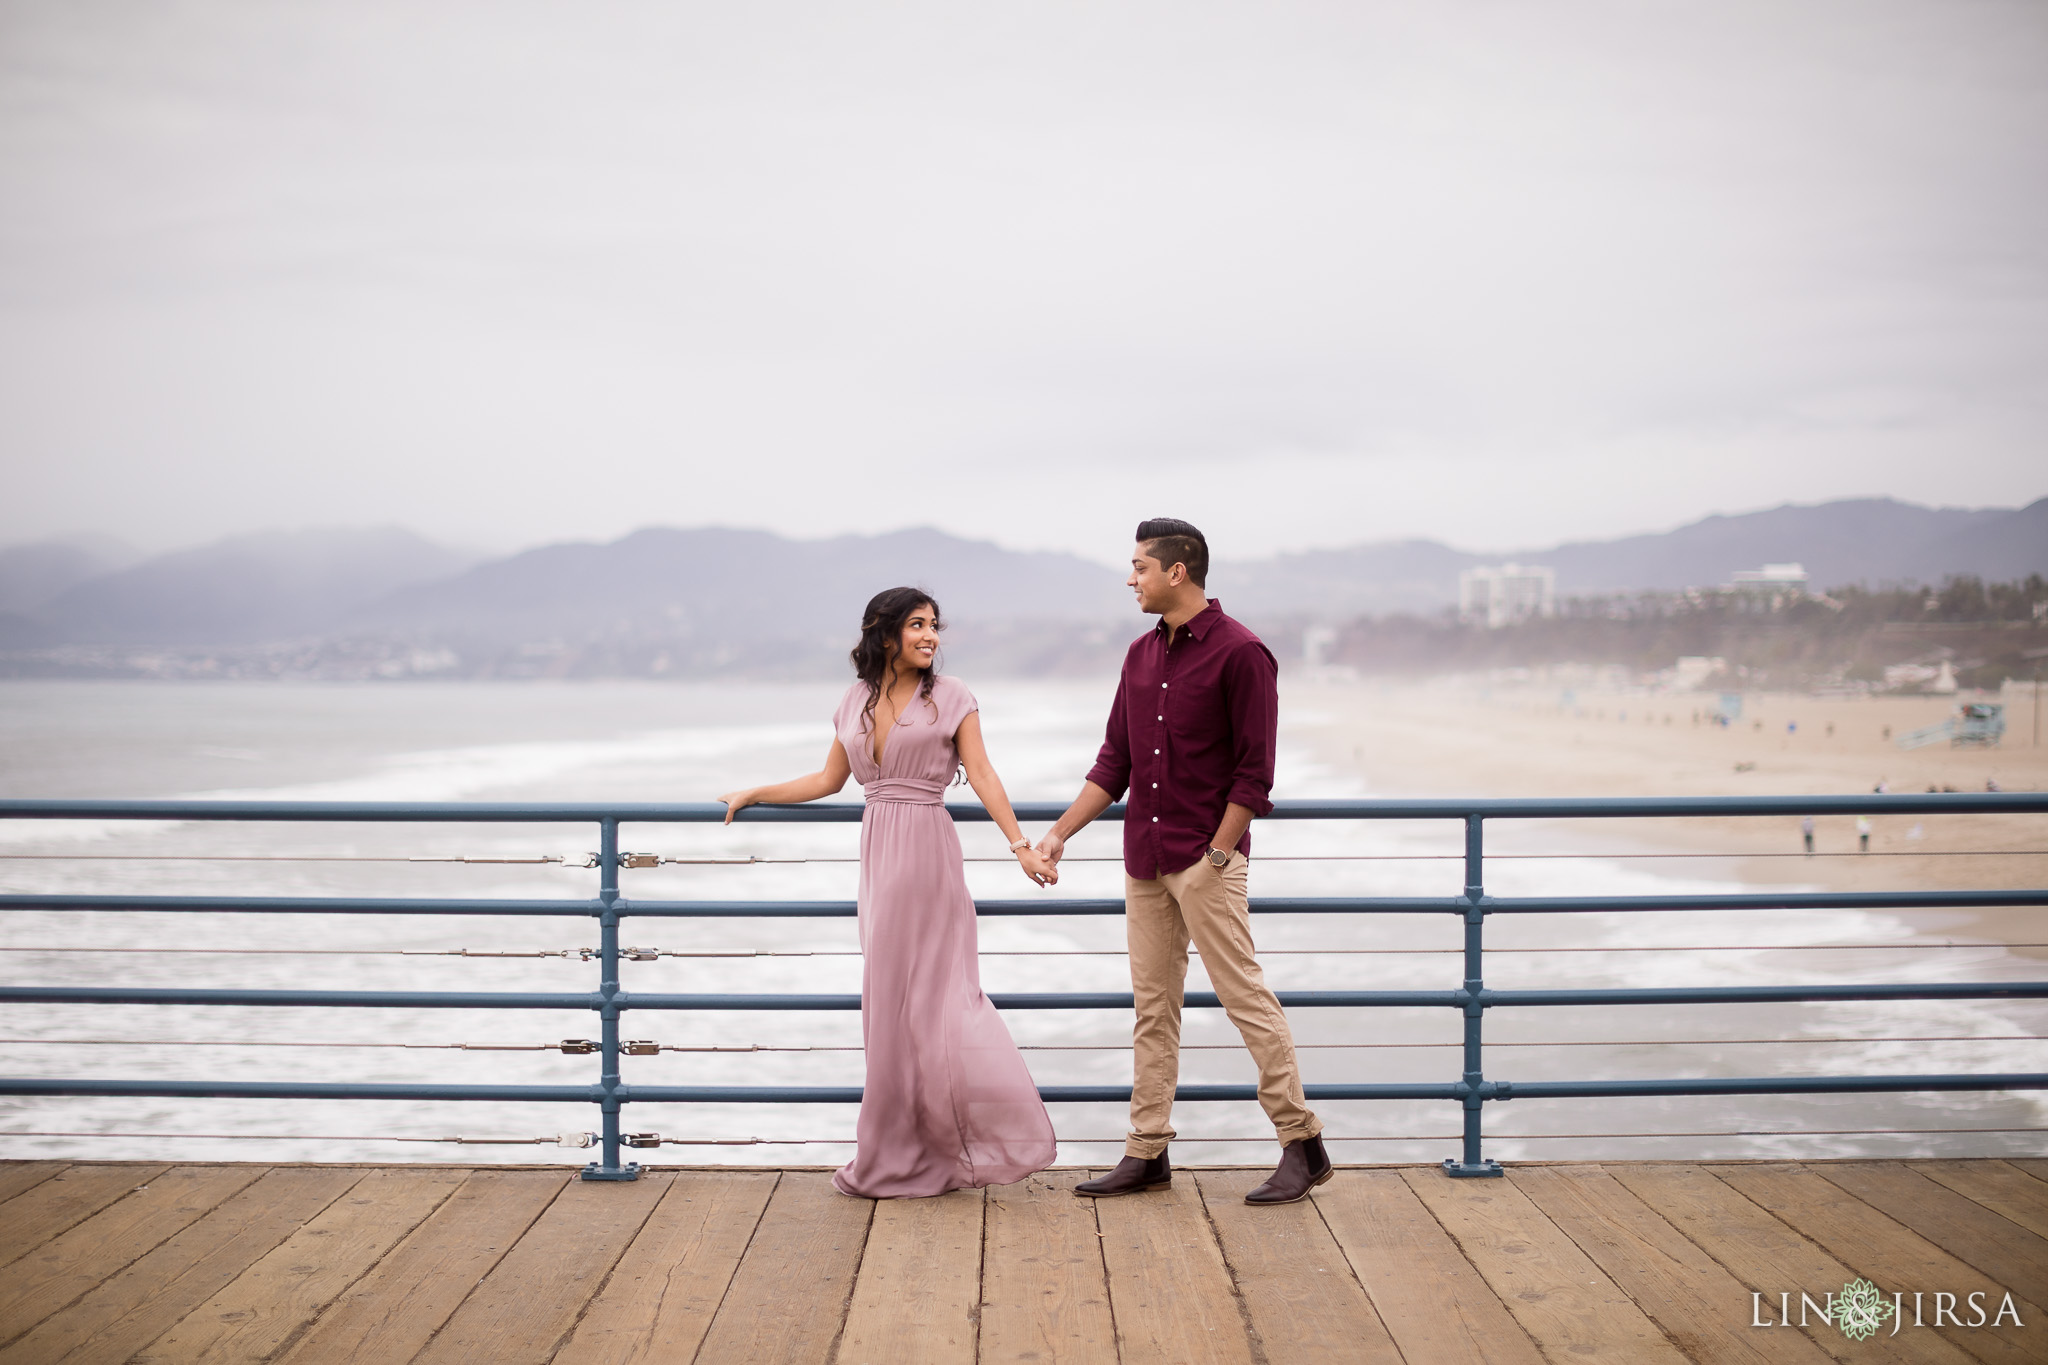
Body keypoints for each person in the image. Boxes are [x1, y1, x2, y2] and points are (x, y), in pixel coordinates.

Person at [720, 587, 1057, 1199]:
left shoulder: (953, 698)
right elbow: (828, 779)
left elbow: (981, 773)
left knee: (933, 1004)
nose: (931, 637)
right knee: (888, 1010)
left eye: (935, 626)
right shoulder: (854, 700)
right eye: (917, 626)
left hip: (927, 855)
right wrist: (756, 792)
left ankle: (953, 1142)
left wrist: (1020, 846)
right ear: (885, 635)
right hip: (878, 860)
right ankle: (894, 1150)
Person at [1037, 518, 1328, 1207]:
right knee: (1153, 1008)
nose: (1130, 578)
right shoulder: (1139, 656)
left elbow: (1255, 776)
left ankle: (1302, 1143)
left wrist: (1218, 855)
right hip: (1146, 858)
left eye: (1139, 566)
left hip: (1207, 860)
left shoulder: (1243, 654)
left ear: (1178, 572)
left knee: (1245, 999)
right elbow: (1116, 761)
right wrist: (1058, 836)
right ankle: (1147, 1151)